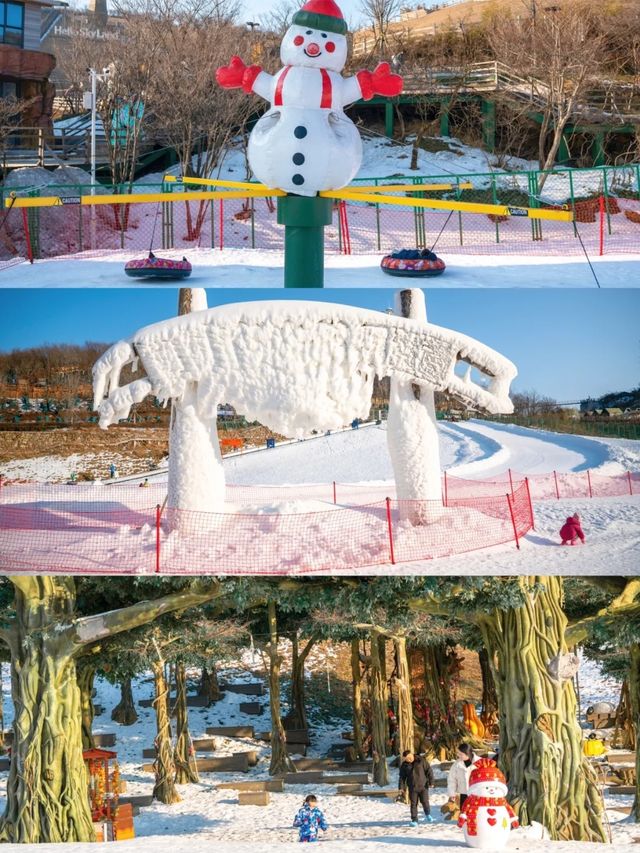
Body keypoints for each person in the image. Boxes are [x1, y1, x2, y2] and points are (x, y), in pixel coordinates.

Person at [399, 749, 435, 827]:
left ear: (412, 754)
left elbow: (429, 770)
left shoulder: (421, 760)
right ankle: (414, 820)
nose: (409, 759)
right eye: (407, 759)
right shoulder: (404, 765)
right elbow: (402, 777)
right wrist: (401, 787)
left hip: (423, 786)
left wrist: (431, 782)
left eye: (409, 757)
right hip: (412, 787)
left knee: (425, 801)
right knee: (413, 804)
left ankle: (428, 814)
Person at [447, 743, 481, 810]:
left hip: (477, 793)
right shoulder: (456, 764)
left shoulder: (479, 762)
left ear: (467, 753)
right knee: (464, 813)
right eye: (458, 753)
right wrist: (452, 793)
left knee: (476, 813)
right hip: (464, 794)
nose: (458, 755)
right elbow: (452, 779)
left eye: (460, 754)